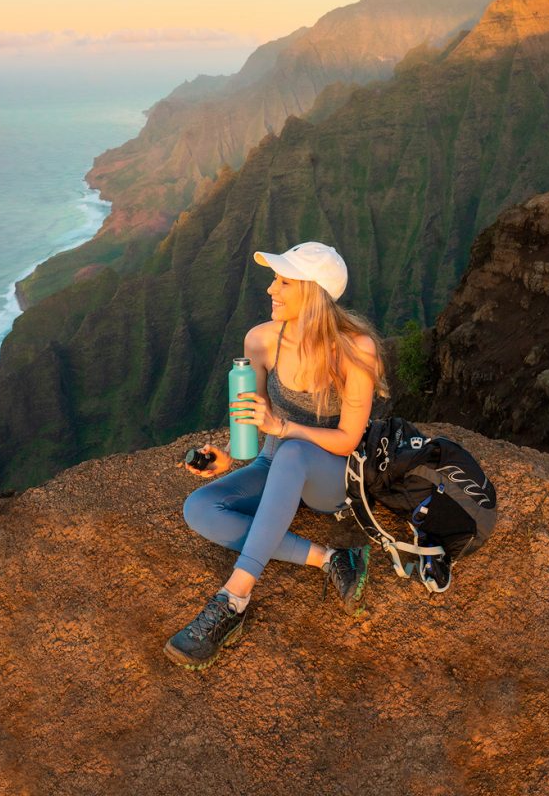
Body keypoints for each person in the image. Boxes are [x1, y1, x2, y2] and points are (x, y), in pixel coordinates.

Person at [164, 241, 389, 670]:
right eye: (275, 279)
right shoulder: (261, 340)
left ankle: (233, 599)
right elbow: (256, 418)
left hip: (330, 476)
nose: (271, 289)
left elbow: (346, 439)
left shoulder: (355, 348)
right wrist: (229, 457)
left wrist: (286, 430)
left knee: (294, 453)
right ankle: (331, 558)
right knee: (200, 508)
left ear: (313, 293)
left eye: (284, 281)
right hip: (273, 460)